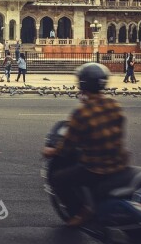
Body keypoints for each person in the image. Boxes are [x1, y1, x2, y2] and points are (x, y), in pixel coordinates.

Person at [42, 63, 129, 226]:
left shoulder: (82, 113)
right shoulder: (115, 105)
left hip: (96, 168)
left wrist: (51, 151)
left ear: (82, 84)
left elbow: (67, 146)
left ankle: (80, 212)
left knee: (57, 179)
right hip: (120, 163)